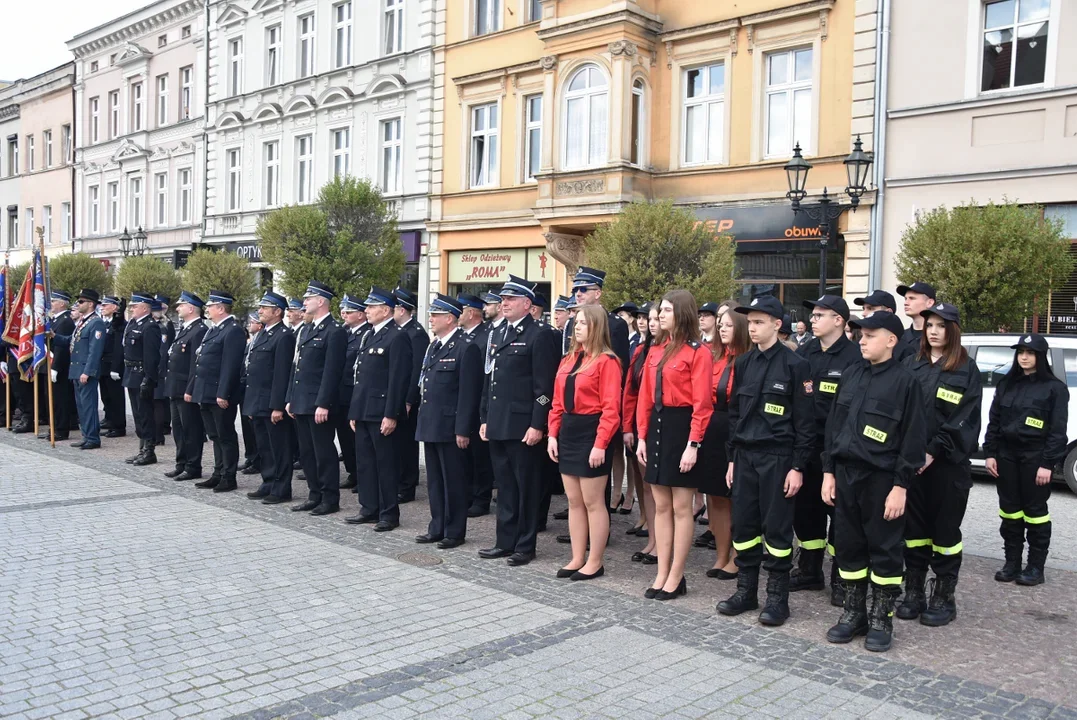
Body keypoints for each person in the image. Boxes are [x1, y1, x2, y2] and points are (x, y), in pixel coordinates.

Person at [822, 311, 925, 652]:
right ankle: (854, 613)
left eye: (870, 334)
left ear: (891, 340)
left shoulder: (905, 381)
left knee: (884, 549)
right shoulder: (851, 375)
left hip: (882, 479)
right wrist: (829, 472)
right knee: (849, 546)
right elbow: (833, 429)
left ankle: (882, 616)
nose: (862, 340)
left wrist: (901, 486)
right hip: (847, 475)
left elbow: (912, 440)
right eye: (860, 334)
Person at [719, 295, 813, 626]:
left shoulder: (796, 365)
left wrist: (797, 467)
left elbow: (805, 423)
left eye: (759, 322)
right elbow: (735, 415)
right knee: (743, 526)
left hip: (778, 457)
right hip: (745, 456)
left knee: (776, 529)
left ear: (776, 324)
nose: (752, 327)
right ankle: (746, 591)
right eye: (750, 322)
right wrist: (732, 460)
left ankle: (777, 598)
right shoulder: (743, 363)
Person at [894, 302, 981, 627]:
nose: (933, 331)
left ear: (953, 330)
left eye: (941, 326)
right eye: (930, 325)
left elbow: (965, 420)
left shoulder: (965, 370)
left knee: (945, 533)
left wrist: (932, 451)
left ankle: (943, 596)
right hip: (912, 466)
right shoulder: (910, 365)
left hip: (946, 467)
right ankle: (913, 591)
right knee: (914, 532)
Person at [635, 290, 713, 601]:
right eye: (660, 310)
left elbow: (702, 404)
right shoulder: (656, 349)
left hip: (683, 430)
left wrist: (693, 444)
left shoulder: (698, 352)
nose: (660, 316)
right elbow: (644, 397)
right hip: (656, 427)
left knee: (682, 508)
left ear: (681, 313)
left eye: (666, 310)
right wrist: (641, 435)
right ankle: (661, 571)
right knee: (661, 507)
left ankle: (676, 575)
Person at [478, 275, 558, 566]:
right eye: (503, 299)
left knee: (527, 487)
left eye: (510, 299)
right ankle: (504, 541)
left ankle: (525, 544)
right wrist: (485, 417)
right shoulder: (497, 333)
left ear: (527, 304)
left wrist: (538, 424)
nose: (504, 303)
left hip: (524, 427)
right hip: (499, 423)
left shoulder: (539, 334)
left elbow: (544, 388)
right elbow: (491, 382)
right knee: (507, 488)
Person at [790, 295, 864, 604]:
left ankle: (840, 576)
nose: (813, 319)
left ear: (839, 320)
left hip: (837, 449)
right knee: (806, 511)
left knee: (841, 514)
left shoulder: (853, 357)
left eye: (821, 314)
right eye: (814, 314)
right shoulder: (805, 353)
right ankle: (809, 568)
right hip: (807, 446)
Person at [984, 334, 1068, 587]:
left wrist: (1047, 464)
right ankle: (1012, 563)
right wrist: (989, 453)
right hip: (1006, 455)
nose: (1024, 357)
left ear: (1040, 357)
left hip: (1035, 457)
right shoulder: (1006, 384)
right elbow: (994, 422)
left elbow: (1057, 431)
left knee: (1035, 514)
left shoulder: (1055, 388)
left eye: (1030, 353)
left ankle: (1035, 567)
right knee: (1009, 511)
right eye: (1021, 352)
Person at [548, 305, 621, 580]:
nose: (577, 327)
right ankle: (577, 557)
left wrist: (601, 443)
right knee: (574, 500)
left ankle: (595, 560)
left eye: (583, 323)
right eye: (576, 322)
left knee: (593, 502)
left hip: (592, 430)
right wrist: (552, 434)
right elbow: (556, 402)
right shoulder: (568, 360)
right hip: (569, 429)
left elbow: (611, 408)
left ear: (597, 327)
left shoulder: (607, 361)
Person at [415, 294, 483, 548]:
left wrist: (463, 429)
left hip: (451, 426)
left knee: (453, 481)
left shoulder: (466, 347)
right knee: (435, 481)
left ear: (449, 318)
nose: (430, 319)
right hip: (431, 422)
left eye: (435, 315)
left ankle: (454, 531)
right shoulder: (435, 345)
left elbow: (468, 393)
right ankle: (437, 526)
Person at [346, 287, 412, 530]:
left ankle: (388, 513)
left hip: (381, 411)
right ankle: (369, 507)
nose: (367, 310)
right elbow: (360, 378)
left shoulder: (397, 336)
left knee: (385, 464)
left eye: (372, 307)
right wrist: (354, 411)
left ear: (386, 310)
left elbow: (398, 379)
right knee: (365, 463)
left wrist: (391, 414)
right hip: (364, 410)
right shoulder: (370, 335)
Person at [287, 281, 347, 516]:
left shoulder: (335, 331)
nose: (304, 302)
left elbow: (332, 372)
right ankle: (314, 494)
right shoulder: (307, 330)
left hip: (318, 403)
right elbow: (297, 367)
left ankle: (330, 498)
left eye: (308, 298)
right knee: (307, 452)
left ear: (321, 301)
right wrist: (291, 397)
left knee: (323, 452)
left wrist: (323, 403)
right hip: (301, 400)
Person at [701, 305, 750, 580]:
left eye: (728, 324)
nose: (721, 328)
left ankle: (738, 555)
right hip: (712, 428)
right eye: (720, 324)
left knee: (737, 498)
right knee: (715, 497)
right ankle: (721, 554)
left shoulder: (749, 359)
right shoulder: (712, 355)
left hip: (736, 428)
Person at [188, 290, 246, 493]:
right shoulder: (213, 329)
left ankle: (228, 476)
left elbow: (231, 365)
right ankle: (218, 472)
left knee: (225, 434)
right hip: (206, 391)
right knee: (214, 435)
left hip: (219, 395)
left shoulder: (233, 330)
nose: (207, 309)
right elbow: (201, 361)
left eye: (210, 306)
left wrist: (223, 393)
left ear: (221, 308)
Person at [241, 292, 297, 504]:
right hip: (257, 400)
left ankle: (282, 488)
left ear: (277, 312)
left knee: (279, 447)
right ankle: (268, 482)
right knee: (264, 446)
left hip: (271, 402)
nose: (260, 311)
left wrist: (277, 406)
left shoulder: (284, 336)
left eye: (265, 308)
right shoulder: (263, 334)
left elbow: (281, 374)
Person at [623, 303, 658, 557]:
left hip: (662, 424)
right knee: (646, 485)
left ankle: (660, 543)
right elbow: (630, 391)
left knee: (657, 487)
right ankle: (653, 537)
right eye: (645, 318)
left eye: (655, 318)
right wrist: (628, 426)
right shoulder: (640, 350)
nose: (650, 322)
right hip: (639, 423)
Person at [53, 289, 107, 450]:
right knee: (81, 406)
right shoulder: (84, 322)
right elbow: (71, 341)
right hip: (76, 370)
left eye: (81, 302)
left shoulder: (96, 322)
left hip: (85, 371)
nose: (78, 304)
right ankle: (86, 435)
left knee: (89, 405)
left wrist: (88, 371)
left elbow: (95, 350)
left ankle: (92, 438)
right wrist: (52, 335)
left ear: (91, 304)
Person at [162, 292, 207, 481]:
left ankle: (193, 465)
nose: (177, 308)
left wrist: (190, 389)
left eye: (181, 305)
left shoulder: (199, 330)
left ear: (191, 308)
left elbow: (195, 364)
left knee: (191, 429)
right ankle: (181, 463)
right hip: (175, 387)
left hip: (185, 389)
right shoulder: (185, 329)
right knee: (179, 429)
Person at [458, 293, 494, 517]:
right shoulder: (462, 337)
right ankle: (469, 494)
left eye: (460, 311)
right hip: (463, 404)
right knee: (466, 456)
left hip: (479, 404)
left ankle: (481, 498)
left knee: (480, 457)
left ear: (471, 313)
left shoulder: (486, 337)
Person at [393, 287, 430, 504]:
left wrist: (408, 399)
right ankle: (399, 481)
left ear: (403, 310)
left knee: (406, 443)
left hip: (408, 398)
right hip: (397, 396)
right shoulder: (400, 331)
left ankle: (407, 486)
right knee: (397, 443)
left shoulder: (416, 333)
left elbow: (416, 369)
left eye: (395, 307)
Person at [122, 292, 162, 465]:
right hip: (131, 373)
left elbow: (152, 357)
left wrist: (149, 378)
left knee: (145, 414)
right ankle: (141, 449)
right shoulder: (133, 324)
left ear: (145, 308)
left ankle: (149, 450)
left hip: (141, 374)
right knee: (138, 414)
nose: (131, 309)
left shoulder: (150, 326)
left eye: (135, 306)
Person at [337, 294, 368, 491]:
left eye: (349, 311)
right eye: (344, 311)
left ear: (360, 314)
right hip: (341, 393)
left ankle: (361, 474)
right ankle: (352, 471)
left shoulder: (366, 334)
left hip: (354, 393)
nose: (345, 315)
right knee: (345, 437)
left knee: (357, 439)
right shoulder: (345, 333)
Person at [48, 289, 77, 441]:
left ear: (62, 303)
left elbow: (62, 347)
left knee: (61, 399)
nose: (51, 304)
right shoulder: (55, 320)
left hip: (61, 366)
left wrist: (55, 367)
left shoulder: (65, 321)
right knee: (54, 398)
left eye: (53, 301)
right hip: (52, 362)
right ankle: (54, 427)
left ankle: (61, 429)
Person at [98, 296, 127, 437]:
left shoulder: (118, 324)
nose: (102, 307)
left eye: (105, 305)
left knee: (116, 396)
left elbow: (118, 348)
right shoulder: (103, 324)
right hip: (103, 365)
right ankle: (109, 420)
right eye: (101, 305)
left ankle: (119, 426)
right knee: (106, 396)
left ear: (115, 307)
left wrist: (115, 368)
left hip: (113, 366)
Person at [239, 313, 263, 476]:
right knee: (247, 427)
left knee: (256, 430)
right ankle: (251, 456)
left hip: (258, 392)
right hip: (246, 389)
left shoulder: (263, 339)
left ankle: (257, 460)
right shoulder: (251, 342)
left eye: (253, 322)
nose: (249, 325)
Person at [152, 295, 175, 447]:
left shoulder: (166, 324)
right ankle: (155, 433)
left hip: (160, 367)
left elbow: (169, 346)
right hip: (154, 367)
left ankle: (159, 433)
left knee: (158, 401)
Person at [896, 282, 937, 361]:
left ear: (929, 303)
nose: (906, 303)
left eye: (912, 298)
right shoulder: (899, 337)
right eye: (905, 299)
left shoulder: (938, 337)